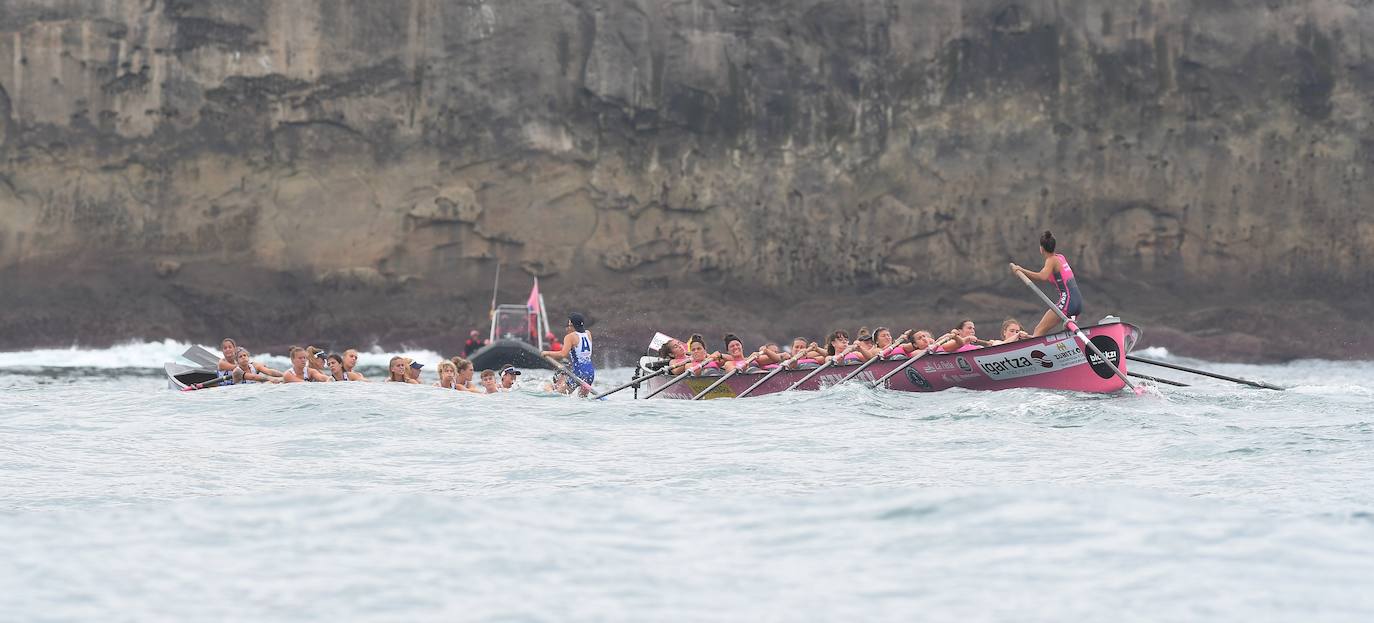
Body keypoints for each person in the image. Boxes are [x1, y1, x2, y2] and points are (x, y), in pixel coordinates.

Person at [1011, 230, 1083, 336]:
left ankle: (1033, 351)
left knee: (1039, 329)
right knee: (1069, 333)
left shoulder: (1051, 260)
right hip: (1078, 302)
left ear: (1041, 249)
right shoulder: (1061, 257)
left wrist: (1021, 270)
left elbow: (1042, 276)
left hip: (1067, 301)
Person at [543, 312, 595, 396]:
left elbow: (563, 354)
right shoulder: (588, 333)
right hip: (590, 372)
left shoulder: (570, 337)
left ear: (572, 325)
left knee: (557, 395)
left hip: (579, 373)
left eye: (569, 323)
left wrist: (546, 353)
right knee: (583, 401)